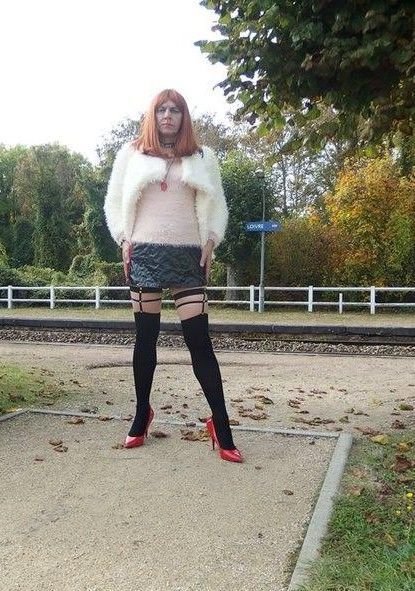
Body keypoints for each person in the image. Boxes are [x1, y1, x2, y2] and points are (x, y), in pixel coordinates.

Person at [104, 88, 242, 463]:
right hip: (145, 252)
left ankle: (221, 425)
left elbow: (217, 204)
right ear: (153, 115)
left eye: (175, 110)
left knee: (199, 341)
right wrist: (123, 238)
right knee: (145, 339)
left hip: (187, 255)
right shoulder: (131, 153)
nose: (168, 115)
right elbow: (114, 202)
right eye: (162, 109)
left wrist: (211, 240)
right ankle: (141, 414)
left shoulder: (202, 156)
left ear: (184, 117)